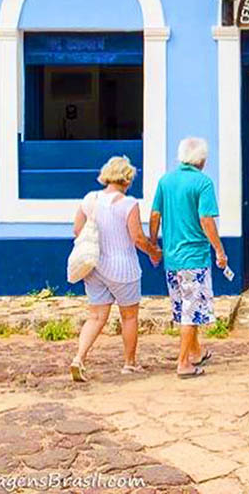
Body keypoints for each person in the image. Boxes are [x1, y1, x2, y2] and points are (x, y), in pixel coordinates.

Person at [70, 156, 161, 382]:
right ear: (127, 179)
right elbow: (137, 238)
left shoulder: (90, 199)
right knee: (129, 317)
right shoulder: (129, 204)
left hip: (94, 267)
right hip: (123, 269)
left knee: (96, 317)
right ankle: (129, 364)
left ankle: (79, 358)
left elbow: (77, 230)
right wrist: (153, 251)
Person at [149, 137, 227, 378]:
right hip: (194, 257)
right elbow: (206, 220)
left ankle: (195, 352)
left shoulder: (165, 181)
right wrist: (220, 250)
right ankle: (184, 362)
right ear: (201, 160)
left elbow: (154, 215)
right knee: (191, 312)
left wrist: (154, 245)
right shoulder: (203, 183)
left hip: (172, 258)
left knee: (183, 307)